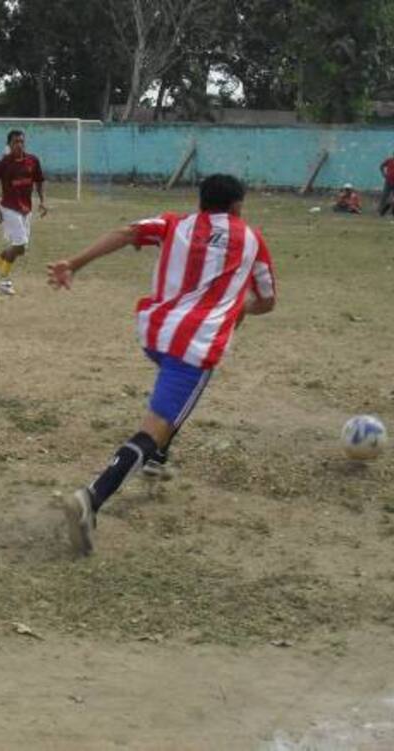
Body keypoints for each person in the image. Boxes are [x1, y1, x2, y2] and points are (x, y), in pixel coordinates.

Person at [46, 174, 277, 556]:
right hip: (194, 348)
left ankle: (157, 458)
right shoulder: (251, 239)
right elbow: (267, 301)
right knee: (157, 424)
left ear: (201, 202)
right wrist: (241, 307)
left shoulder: (175, 223)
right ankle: (91, 497)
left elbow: (127, 232)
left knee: (175, 404)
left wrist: (74, 262)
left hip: (156, 334)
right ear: (237, 206)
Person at [0, 129, 47, 296]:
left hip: (25, 210)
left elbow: (40, 181)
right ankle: (4, 282)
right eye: (15, 142)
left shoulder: (32, 160)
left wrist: (42, 201)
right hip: (9, 208)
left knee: (20, 249)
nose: (19, 145)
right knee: (20, 244)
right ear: (9, 144)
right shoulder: (3, 163)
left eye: (21, 141)